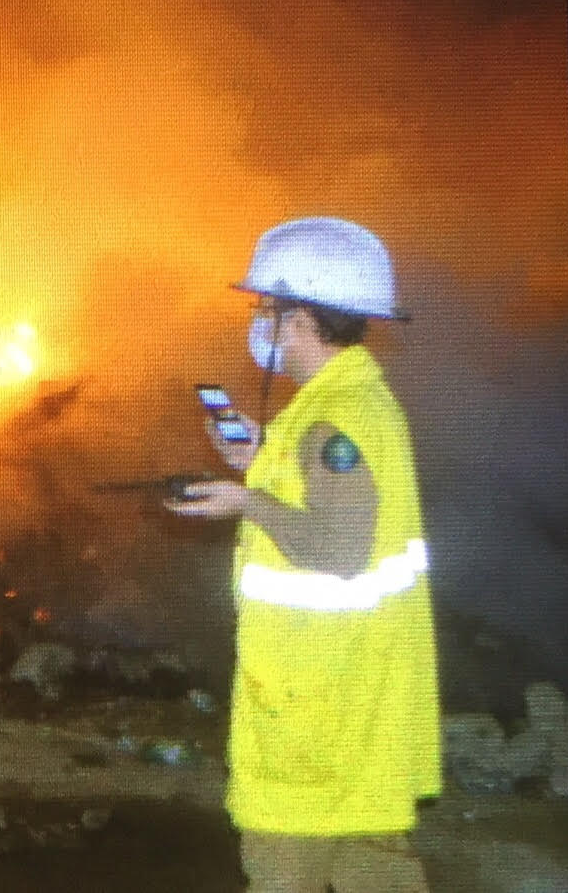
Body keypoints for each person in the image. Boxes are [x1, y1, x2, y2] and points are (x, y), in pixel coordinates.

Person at [166, 217, 440, 893]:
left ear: (300, 318)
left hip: (312, 712)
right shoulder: (347, 401)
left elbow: (340, 548)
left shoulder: (332, 420)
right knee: (374, 869)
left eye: (269, 308)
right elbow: (330, 487)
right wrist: (261, 456)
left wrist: (243, 503)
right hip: (356, 700)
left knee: (283, 870)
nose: (261, 321)